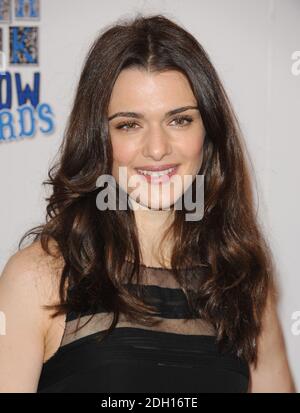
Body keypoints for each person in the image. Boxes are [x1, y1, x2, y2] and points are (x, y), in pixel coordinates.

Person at [0, 13, 296, 393]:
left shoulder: (241, 280)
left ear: (208, 133)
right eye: (129, 124)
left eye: (179, 121)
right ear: (98, 138)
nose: (157, 149)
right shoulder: (40, 279)